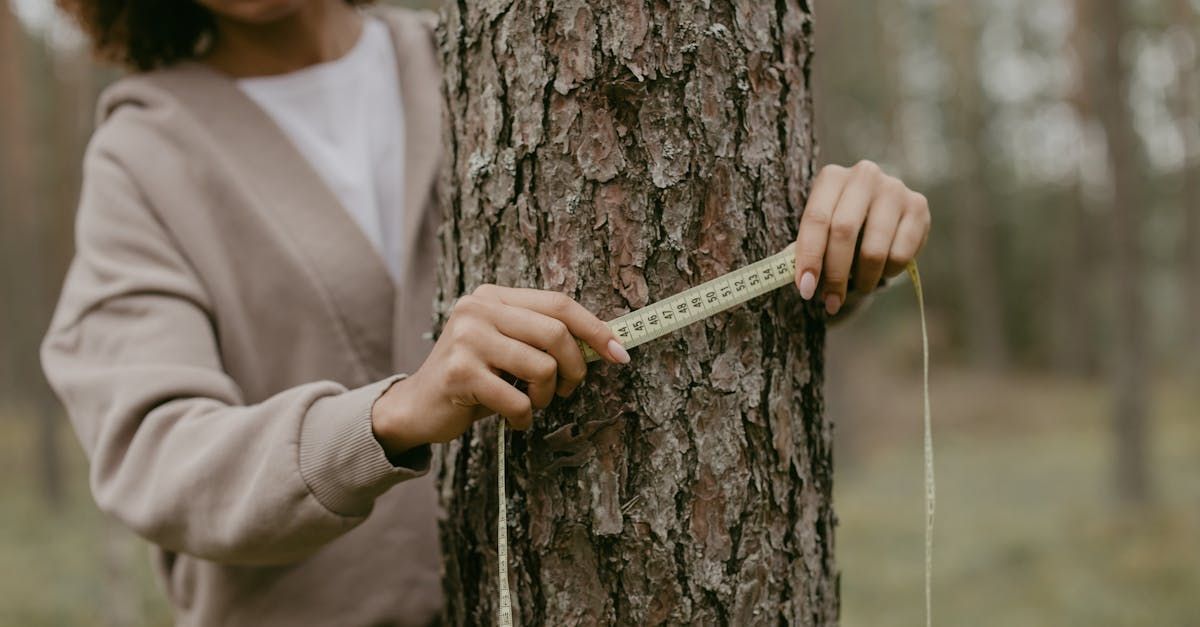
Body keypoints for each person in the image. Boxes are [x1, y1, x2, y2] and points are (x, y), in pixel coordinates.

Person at [43, 0, 932, 625]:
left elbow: (658, 282)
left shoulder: (487, 59)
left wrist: (837, 240)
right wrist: (387, 416)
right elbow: (154, 450)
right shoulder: (143, 154)